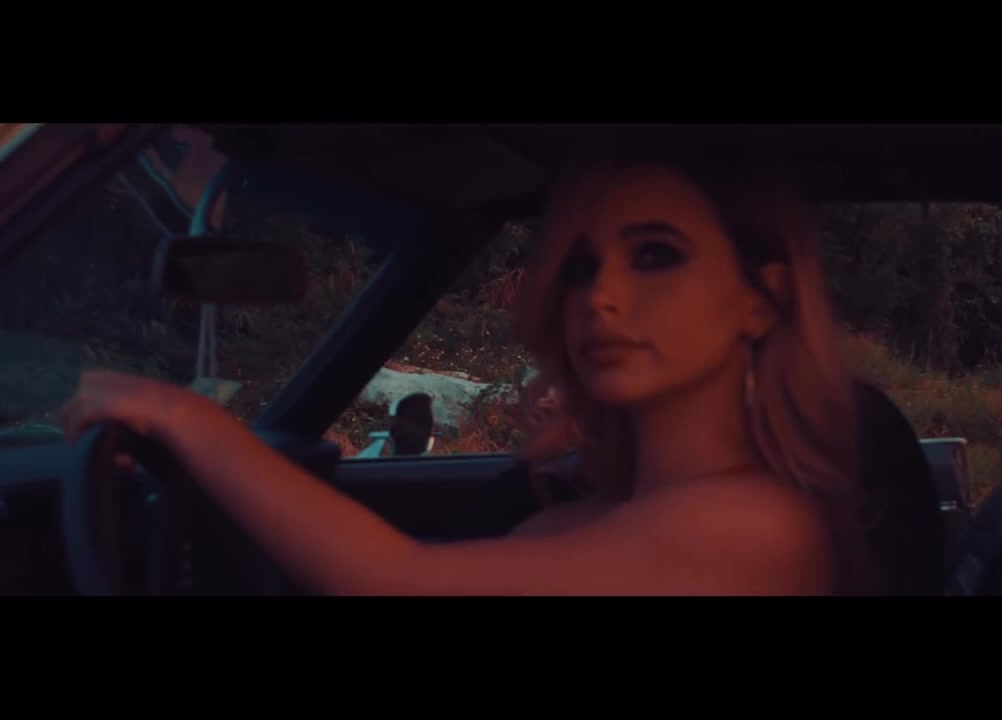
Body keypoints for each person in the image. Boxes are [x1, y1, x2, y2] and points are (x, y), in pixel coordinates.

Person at [60, 143, 877, 595]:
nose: (600, 298)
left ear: (761, 301)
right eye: (580, 267)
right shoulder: (601, 514)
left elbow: (398, 580)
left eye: (656, 255)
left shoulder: (756, 527)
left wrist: (182, 417)